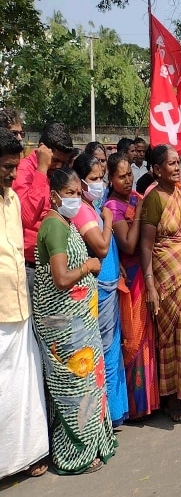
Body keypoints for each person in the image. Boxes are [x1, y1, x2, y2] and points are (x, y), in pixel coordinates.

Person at [34, 167, 116, 474]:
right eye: (69, 194)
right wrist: (88, 267)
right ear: (54, 196)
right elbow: (60, 277)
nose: (75, 198)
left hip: (79, 324)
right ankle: (75, 453)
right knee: (74, 387)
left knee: (88, 385)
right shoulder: (54, 226)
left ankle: (92, 442)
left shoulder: (66, 222)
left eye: (77, 193)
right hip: (64, 327)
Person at [140, 144, 181, 423]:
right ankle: (169, 398)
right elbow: (145, 246)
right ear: (156, 170)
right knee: (169, 337)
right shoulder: (154, 199)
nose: (178, 168)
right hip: (166, 274)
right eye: (172, 164)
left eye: (179, 163)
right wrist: (151, 285)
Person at [0, 130, 49, 480]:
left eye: (15, 168)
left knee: (24, 387)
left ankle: (24, 456)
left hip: (19, 306)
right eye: (5, 167)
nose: (12, 175)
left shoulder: (11, 200)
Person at [71, 153, 128, 427]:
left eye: (101, 178)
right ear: (81, 182)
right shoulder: (86, 210)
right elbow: (102, 247)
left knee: (113, 348)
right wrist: (107, 219)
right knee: (105, 351)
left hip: (110, 281)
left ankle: (115, 414)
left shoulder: (93, 205)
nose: (99, 183)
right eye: (94, 179)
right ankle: (103, 417)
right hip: (100, 289)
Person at [105, 153, 160, 421]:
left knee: (149, 338)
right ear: (110, 179)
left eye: (130, 175)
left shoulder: (139, 199)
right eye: (121, 176)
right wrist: (139, 211)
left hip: (147, 272)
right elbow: (127, 244)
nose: (128, 180)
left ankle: (151, 401)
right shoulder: (113, 207)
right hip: (130, 280)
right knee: (134, 340)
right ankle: (136, 406)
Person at [13, 122, 73, 294]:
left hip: (52, 266)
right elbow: (27, 217)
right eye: (56, 160)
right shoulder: (24, 170)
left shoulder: (53, 173)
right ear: (42, 149)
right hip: (31, 269)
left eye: (64, 162)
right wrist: (42, 168)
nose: (59, 166)